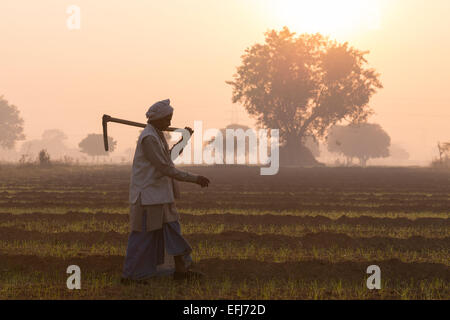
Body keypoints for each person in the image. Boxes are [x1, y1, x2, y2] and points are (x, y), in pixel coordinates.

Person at [122, 99, 210, 283]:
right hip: (148, 197)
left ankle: (181, 271)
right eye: (167, 119)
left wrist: (184, 140)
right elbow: (165, 167)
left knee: (173, 232)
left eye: (171, 119)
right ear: (159, 119)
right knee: (143, 237)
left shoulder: (157, 135)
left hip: (161, 196)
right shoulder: (148, 138)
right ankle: (131, 275)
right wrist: (194, 179)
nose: (170, 123)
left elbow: (168, 158)